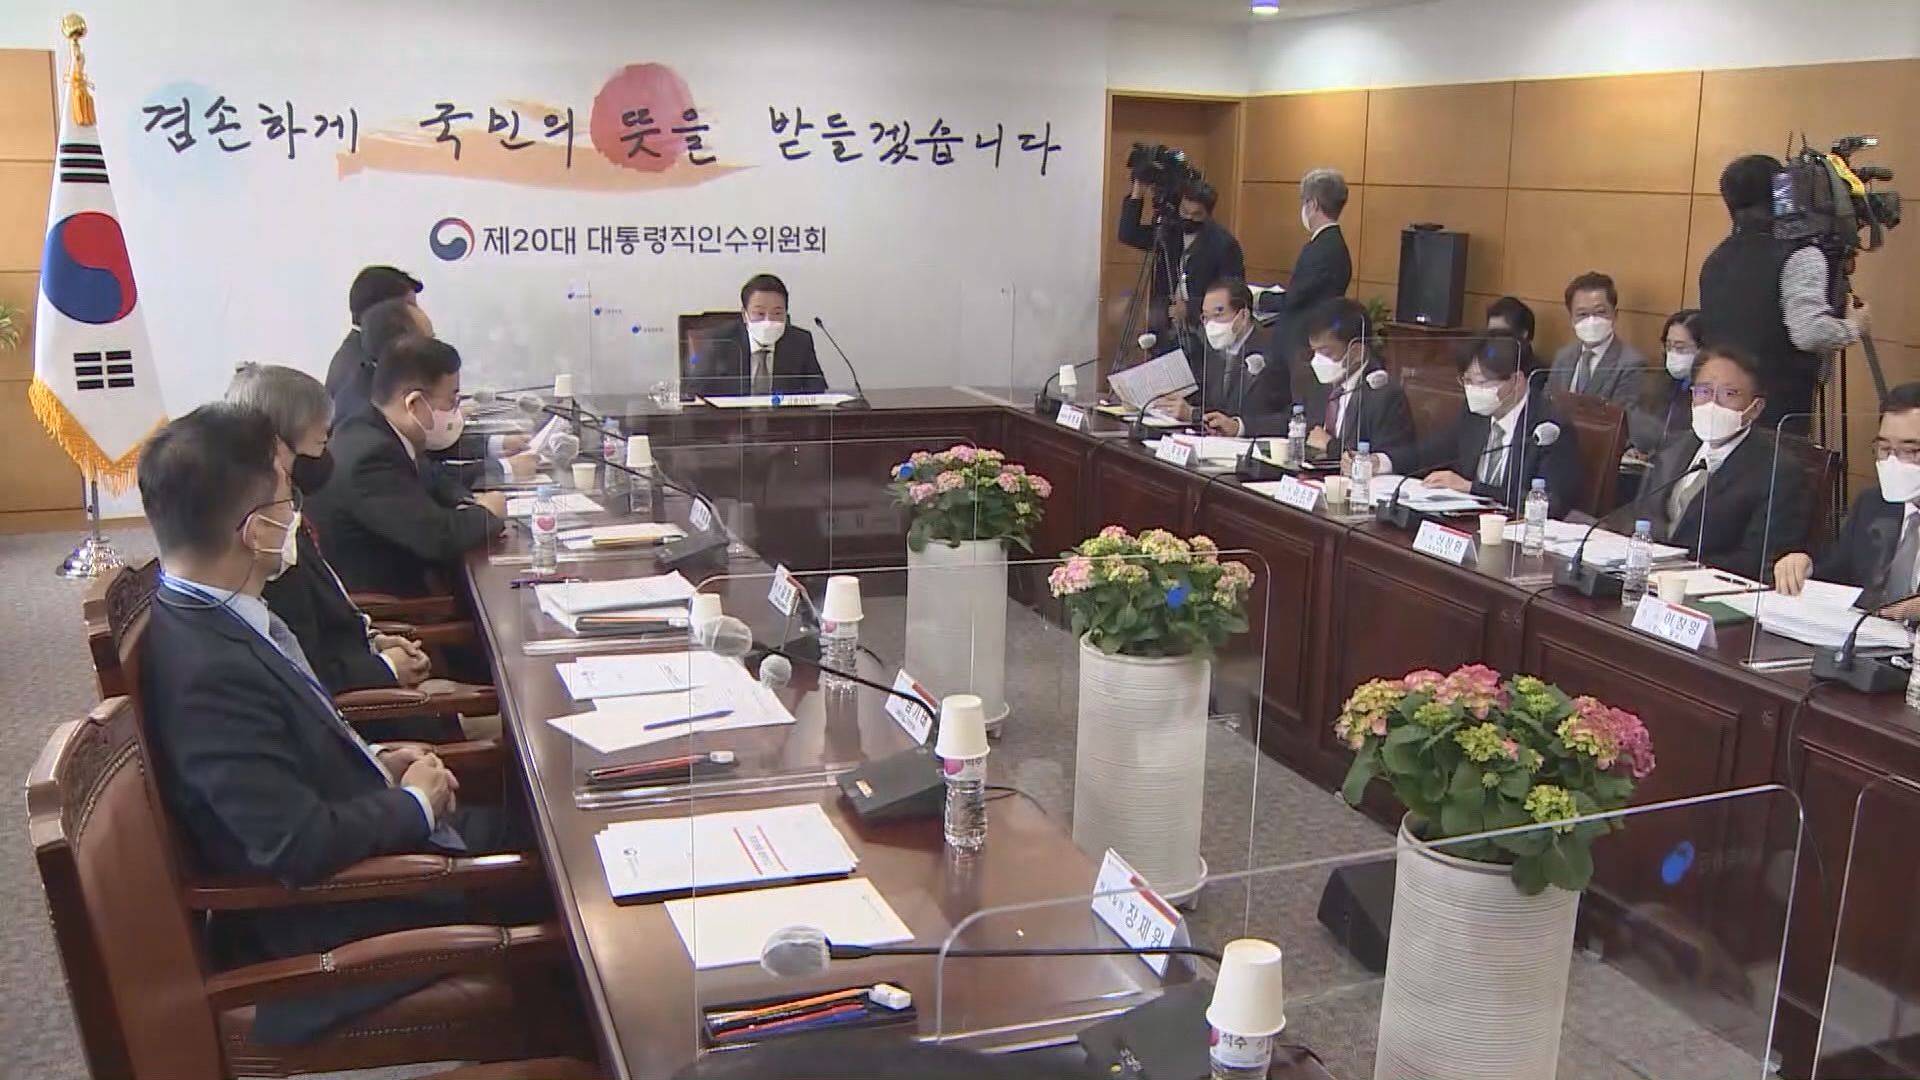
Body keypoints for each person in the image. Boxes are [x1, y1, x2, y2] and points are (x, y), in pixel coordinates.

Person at [135, 404, 535, 1044]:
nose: (297, 512)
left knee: (538, 815)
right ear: (256, 530)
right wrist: (413, 805)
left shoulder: (219, 614)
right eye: (286, 498)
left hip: (366, 846)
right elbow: (293, 845)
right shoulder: (206, 670)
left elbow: (287, 753)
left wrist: (376, 763)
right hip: (337, 918)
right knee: (573, 874)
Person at [228, 363, 486, 741]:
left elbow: (332, 618)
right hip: (371, 720)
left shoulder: (288, 519)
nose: (328, 454)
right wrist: (385, 667)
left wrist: (374, 640)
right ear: (277, 449)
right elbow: (306, 673)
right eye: (320, 443)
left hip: (377, 683)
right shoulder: (269, 549)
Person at [308, 335, 508, 597]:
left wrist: (468, 501)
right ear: (414, 404)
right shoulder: (369, 457)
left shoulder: (378, 429)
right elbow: (436, 538)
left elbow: (433, 480)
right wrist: (487, 514)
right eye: (452, 401)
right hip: (397, 607)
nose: (455, 411)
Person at [1700, 154, 1871, 431]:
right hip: (1778, 413)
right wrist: (1853, 327)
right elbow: (1808, 333)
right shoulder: (1800, 255)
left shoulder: (1716, 258)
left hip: (1720, 409)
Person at [1628, 343, 1807, 580]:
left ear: (1755, 408)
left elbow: (1759, 561)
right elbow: (1642, 515)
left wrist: (1680, 569)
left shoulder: (1778, 471)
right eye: (1704, 391)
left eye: (1729, 394)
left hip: (1707, 587)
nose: (1712, 404)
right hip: (1646, 577)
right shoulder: (1673, 446)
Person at [1367, 334, 1582, 517]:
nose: (1473, 391)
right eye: (1467, 381)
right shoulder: (1475, 415)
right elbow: (1427, 453)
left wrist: (1472, 488)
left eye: (1482, 383)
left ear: (1517, 381)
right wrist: (1379, 462)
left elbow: (1551, 504)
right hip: (1470, 522)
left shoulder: (1549, 430)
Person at [1775, 382, 1920, 617]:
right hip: (1868, 633)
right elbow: (1838, 576)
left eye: (1911, 451)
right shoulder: (1873, 504)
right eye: (1884, 449)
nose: (1893, 462)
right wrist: (1805, 567)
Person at [1116, 175, 1244, 337]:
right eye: (1185, 211)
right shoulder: (1169, 232)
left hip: (1201, 331)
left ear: (1208, 214)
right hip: (1164, 326)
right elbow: (1128, 234)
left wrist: (1191, 308)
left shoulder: (1224, 245)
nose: (1189, 218)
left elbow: (1234, 295)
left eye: (1196, 214)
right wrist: (1138, 192)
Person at [1293, 297, 1415, 465]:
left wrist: (1331, 446)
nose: (1317, 361)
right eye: (1315, 351)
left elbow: (1393, 460)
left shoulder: (1383, 395)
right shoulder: (1317, 383)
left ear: (1357, 352)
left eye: (1326, 353)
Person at [1547, 271, 1658, 452]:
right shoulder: (1563, 357)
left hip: (1600, 452)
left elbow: (1624, 423)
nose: (1592, 321)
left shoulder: (1631, 363)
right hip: (1556, 449)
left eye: (1600, 312)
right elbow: (1547, 404)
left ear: (1615, 314)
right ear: (1571, 319)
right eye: (1582, 314)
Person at [1169, 278, 1286, 436]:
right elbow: (1216, 408)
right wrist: (1190, 412)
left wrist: (1239, 427)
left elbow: (1293, 417)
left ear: (1243, 315)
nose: (1211, 325)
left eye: (1218, 314)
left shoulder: (1274, 351)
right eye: (1206, 317)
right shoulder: (1214, 354)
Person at [1264, 167, 1354, 365]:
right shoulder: (1335, 245)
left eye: (1304, 202)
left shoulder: (1321, 248)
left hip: (1300, 348)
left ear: (1312, 204)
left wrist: (1260, 298)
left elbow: (1295, 298)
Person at [686, 273, 828, 397]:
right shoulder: (721, 341)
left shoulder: (800, 341)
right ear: (744, 315)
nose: (768, 321)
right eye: (760, 313)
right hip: (732, 419)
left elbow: (818, 390)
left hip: (784, 419)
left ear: (786, 313)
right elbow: (694, 393)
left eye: (777, 313)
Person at [325, 266, 424, 410]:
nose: (419, 314)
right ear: (384, 312)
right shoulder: (360, 371)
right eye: (411, 306)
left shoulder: (363, 353)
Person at [1631, 308, 1706, 464]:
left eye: (1680, 348)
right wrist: (1634, 449)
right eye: (1669, 347)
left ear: (1701, 349)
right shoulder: (1654, 384)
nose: (1672, 354)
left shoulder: (1707, 396)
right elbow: (1636, 429)